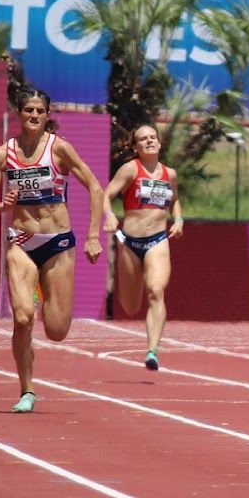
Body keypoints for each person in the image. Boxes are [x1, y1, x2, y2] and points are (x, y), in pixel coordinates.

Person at [0, 89, 104, 413]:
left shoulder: (59, 149)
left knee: (56, 330)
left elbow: (95, 187)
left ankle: (47, 299)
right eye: (28, 110)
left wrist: (93, 236)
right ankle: (27, 390)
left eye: (39, 110)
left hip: (57, 244)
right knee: (22, 318)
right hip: (21, 242)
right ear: (18, 114)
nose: (34, 115)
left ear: (48, 114)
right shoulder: (2, 155)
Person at [101, 124, 183, 371]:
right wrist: (109, 215)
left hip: (157, 241)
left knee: (156, 291)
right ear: (136, 147)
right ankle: (148, 341)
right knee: (130, 306)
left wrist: (178, 219)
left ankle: (152, 351)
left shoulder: (170, 174)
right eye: (143, 139)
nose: (149, 141)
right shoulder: (129, 169)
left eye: (152, 137)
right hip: (129, 242)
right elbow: (106, 195)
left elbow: (176, 200)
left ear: (159, 142)